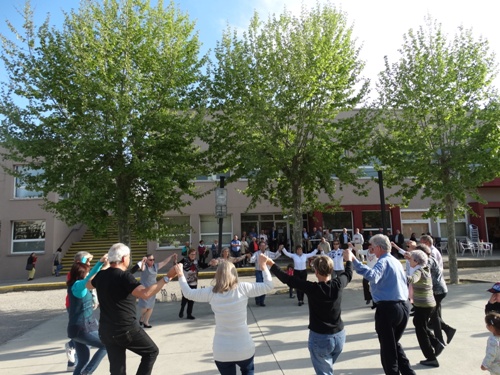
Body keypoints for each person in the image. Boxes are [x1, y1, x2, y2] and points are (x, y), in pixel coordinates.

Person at [174, 254, 273, 375]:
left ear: (218, 275)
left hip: (222, 350)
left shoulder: (211, 292)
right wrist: (263, 266)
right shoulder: (243, 288)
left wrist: (180, 274)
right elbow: (268, 286)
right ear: (234, 273)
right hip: (244, 347)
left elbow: (188, 293)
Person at [88, 243, 178, 375]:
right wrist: (167, 277)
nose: (129, 259)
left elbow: (88, 284)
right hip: (125, 329)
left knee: (117, 370)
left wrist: (103, 265)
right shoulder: (124, 276)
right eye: (129, 257)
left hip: (106, 330)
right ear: (124, 258)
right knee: (151, 352)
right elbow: (146, 293)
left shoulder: (101, 275)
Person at [267, 252, 352, 375]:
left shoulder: (312, 288)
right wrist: (349, 260)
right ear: (331, 269)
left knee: (324, 371)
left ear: (316, 272)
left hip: (320, 338)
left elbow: (288, 279)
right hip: (339, 336)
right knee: (326, 367)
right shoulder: (338, 284)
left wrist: (271, 264)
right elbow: (348, 274)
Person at [349, 234, 416, 375]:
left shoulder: (384, 261)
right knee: (393, 344)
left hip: (389, 308)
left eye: (373, 248)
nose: (372, 251)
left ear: (379, 248)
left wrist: (354, 260)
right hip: (402, 307)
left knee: (388, 350)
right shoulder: (396, 261)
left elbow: (372, 276)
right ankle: (408, 372)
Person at [67, 254, 109, 375]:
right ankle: (87, 372)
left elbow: (91, 275)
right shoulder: (78, 286)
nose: (88, 273)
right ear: (82, 274)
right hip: (82, 329)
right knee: (106, 345)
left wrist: (89, 259)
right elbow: (91, 277)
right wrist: (100, 262)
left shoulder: (75, 284)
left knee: (83, 360)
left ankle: (83, 371)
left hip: (76, 330)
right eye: (87, 272)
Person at [406, 249, 443, 368]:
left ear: (416, 261)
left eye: (411, 260)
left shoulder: (419, 272)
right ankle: (436, 343)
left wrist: (398, 274)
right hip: (428, 304)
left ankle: (431, 358)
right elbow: (414, 270)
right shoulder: (425, 268)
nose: (409, 261)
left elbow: (412, 279)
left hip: (423, 305)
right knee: (418, 323)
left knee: (420, 331)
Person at [417, 244, 456, 346]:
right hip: (439, 290)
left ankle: (442, 337)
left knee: (433, 316)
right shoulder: (431, 258)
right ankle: (445, 334)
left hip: (437, 291)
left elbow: (424, 274)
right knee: (434, 315)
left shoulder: (428, 261)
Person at [135, 252, 177, 328]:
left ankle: (146, 322)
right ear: (147, 260)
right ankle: (142, 317)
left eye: (153, 259)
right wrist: (143, 261)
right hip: (144, 289)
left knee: (150, 307)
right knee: (145, 307)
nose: (152, 261)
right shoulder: (145, 266)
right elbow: (142, 268)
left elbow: (164, 262)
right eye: (150, 260)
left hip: (153, 289)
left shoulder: (155, 266)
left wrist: (171, 256)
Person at [178, 248, 208, 320]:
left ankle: (189, 314)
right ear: (189, 254)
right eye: (192, 254)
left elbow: (203, 265)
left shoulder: (196, 261)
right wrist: (175, 261)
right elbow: (178, 266)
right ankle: (182, 309)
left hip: (194, 282)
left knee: (192, 298)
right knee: (185, 297)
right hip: (185, 282)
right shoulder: (184, 260)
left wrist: (210, 264)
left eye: (194, 254)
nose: (193, 255)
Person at [248, 241, 281, 307]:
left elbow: (275, 255)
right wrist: (249, 257)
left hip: (266, 272)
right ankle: (257, 299)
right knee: (259, 285)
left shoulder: (268, 253)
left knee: (265, 286)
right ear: (259, 247)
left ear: (266, 246)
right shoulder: (257, 253)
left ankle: (262, 301)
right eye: (261, 246)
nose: (263, 247)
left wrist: (279, 249)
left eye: (264, 246)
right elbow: (252, 260)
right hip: (259, 272)